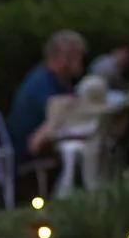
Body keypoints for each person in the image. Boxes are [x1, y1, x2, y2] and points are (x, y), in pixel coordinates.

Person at [6, 30, 87, 159]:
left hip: (39, 147)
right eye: (78, 56)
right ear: (63, 58)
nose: (81, 62)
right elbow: (58, 122)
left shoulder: (55, 79)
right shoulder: (41, 84)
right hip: (29, 153)